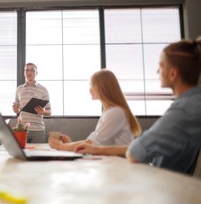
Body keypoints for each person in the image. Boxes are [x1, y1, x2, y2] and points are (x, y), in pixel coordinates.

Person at [76, 38, 201, 175]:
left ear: (173, 73)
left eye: (161, 66)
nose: (157, 71)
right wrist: (97, 150)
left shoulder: (183, 110)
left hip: (163, 184)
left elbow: (134, 153)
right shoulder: (193, 103)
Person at [49, 69, 141, 151]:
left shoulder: (115, 112)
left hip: (119, 163)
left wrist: (60, 146)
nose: (90, 89)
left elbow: (91, 144)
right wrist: (69, 144)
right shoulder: (109, 111)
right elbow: (93, 143)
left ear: (100, 87)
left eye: (91, 85)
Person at [13, 63, 51, 143]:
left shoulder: (43, 89)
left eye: (32, 70)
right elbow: (16, 110)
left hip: (38, 130)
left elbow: (49, 112)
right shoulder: (19, 89)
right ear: (24, 73)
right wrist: (15, 109)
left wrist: (42, 112)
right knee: (21, 154)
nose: (29, 73)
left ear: (36, 73)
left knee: (37, 155)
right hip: (22, 129)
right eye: (27, 70)